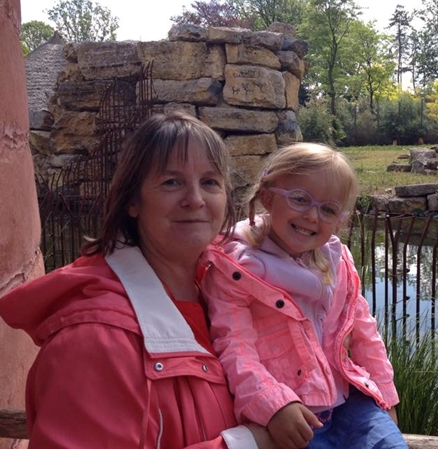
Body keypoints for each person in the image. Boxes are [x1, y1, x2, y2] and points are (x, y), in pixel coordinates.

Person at [0, 112, 276, 448]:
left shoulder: (233, 292)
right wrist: (244, 444)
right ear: (133, 201)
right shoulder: (93, 340)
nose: (195, 199)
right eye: (171, 182)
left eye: (209, 182)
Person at [199, 142, 407, 449]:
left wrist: (386, 397)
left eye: (328, 209)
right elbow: (234, 347)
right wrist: (273, 404)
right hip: (290, 417)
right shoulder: (237, 268)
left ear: (339, 219)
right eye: (299, 199)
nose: (312, 216)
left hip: (351, 404)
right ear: (267, 197)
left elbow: (366, 335)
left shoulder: (338, 263)